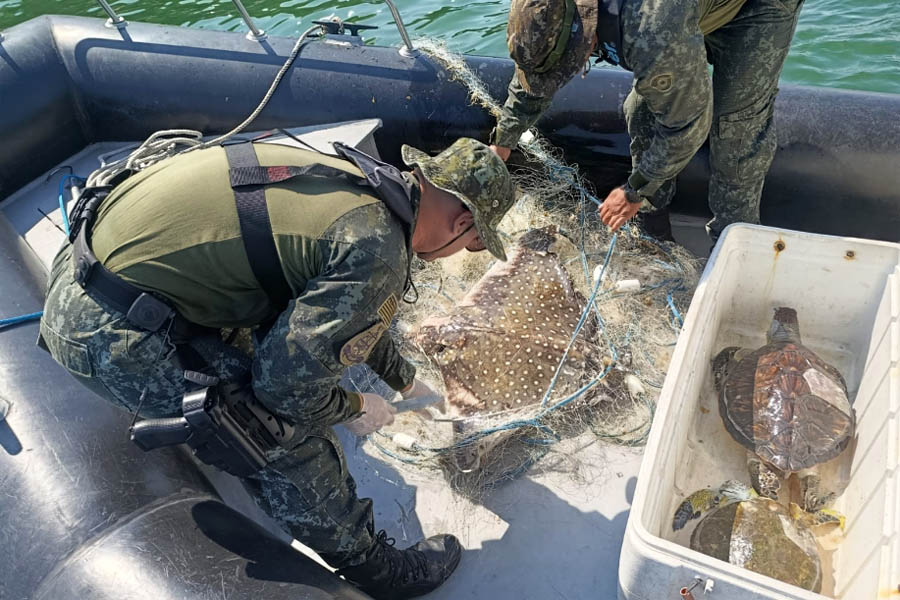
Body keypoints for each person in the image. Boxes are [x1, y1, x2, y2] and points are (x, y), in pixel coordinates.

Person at [39, 136, 515, 599]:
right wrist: (354, 406)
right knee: (277, 427)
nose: (462, 253)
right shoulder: (378, 250)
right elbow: (286, 392)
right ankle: (375, 568)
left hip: (85, 265)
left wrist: (403, 380)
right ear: (461, 223)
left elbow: (344, 305)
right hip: (105, 333)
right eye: (475, 243)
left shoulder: (361, 180)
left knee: (282, 353)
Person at [490, 0, 805, 243]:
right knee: (639, 109)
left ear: (584, 38)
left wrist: (634, 190)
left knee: (735, 133)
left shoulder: (650, 29)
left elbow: (688, 126)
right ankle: (654, 230)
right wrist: (502, 140)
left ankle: (734, 246)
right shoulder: (557, 13)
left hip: (755, 10)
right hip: (684, 14)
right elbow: (535, 72)